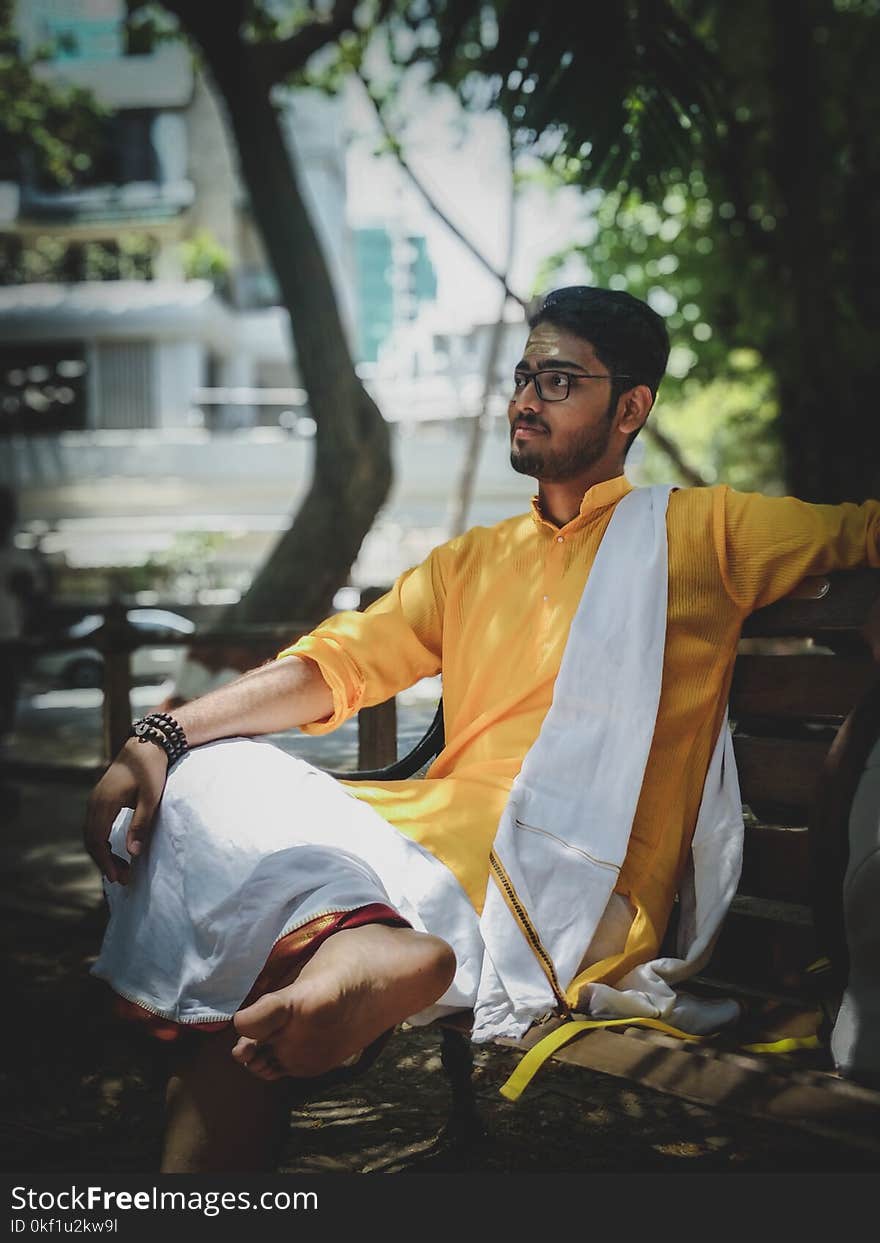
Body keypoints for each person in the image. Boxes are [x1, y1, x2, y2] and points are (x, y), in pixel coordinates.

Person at [83, 286, 880, 1172]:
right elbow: (332, 665)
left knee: (238, 971)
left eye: (560, 379)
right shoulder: (472, 560)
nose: (527, 398)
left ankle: (359, 958)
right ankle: (361, 954)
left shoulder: (703, 533)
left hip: (567, 881)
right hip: (423, 839)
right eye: (523, 375)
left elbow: (867, 532)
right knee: (213, 774)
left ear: (631, 408)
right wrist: (158, 736)